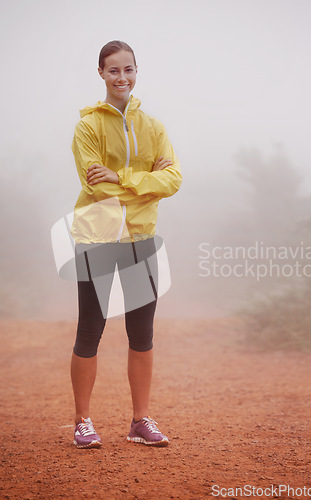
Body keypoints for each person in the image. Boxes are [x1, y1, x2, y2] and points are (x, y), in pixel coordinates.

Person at [69, 40, 182, 449]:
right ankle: (82, 420)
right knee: (90, 332)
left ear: (137, 72)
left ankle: (140, 421)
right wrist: (145, 182)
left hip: (142, 240)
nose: (122, 78)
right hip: (96, 237)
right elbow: (96, 188)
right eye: (114, 70)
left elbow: (174, 180)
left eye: (129, 70)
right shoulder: (88, 127)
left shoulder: (154, 127)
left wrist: (122, 179)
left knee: (142, 334)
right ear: (101, 73)